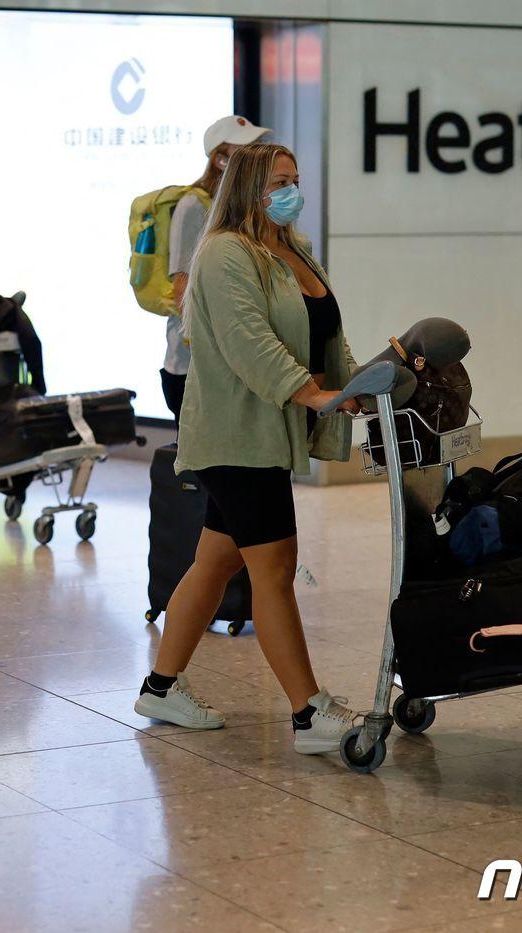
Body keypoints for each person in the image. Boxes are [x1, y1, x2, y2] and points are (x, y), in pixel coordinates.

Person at [133, 142, 366, 755]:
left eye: (294, 179)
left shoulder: (294, 249)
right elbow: (249, 341)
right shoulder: (224, 253)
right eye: (278, 181)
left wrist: (352, 384)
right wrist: (310, 394)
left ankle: (159, 687)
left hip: (267, 430)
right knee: (276, 570)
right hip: (235, 435)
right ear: (246, 187)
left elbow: (325, 332)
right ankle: (308, 714)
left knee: (215, 562)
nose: (290, 190)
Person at [161, 115, 270, 423]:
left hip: (227, 364)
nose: (258, 155)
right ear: (221, 160)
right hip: (191, 366)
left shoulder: (243, 209)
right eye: (247, 149)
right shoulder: (194, 207)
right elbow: (183, 286)